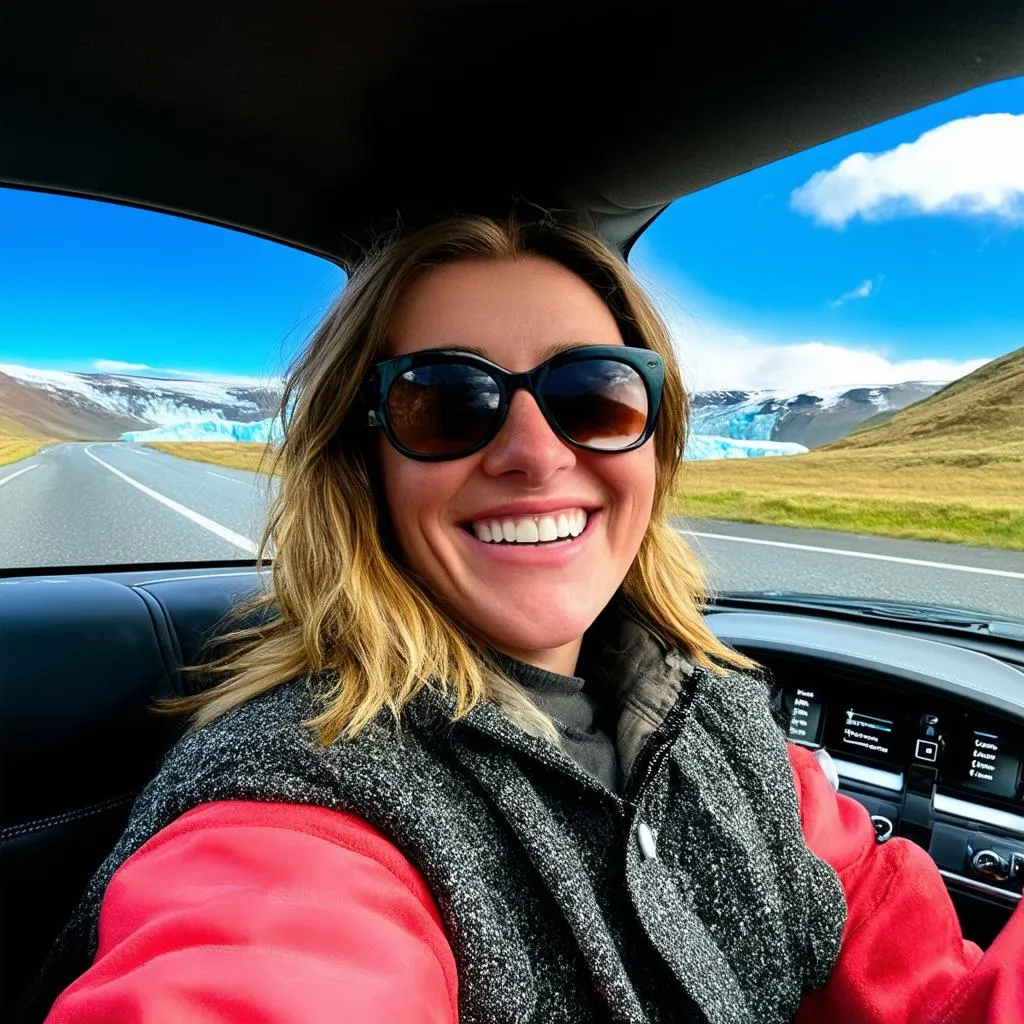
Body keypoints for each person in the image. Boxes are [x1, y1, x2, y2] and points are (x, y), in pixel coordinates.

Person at [34, 217, 1023, 1023]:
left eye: (592, 396)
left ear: (654, 444)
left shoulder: (735, 731)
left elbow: (940, 1000)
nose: (533, 452)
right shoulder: (296, 812)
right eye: (446, 403)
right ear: (364, 465)